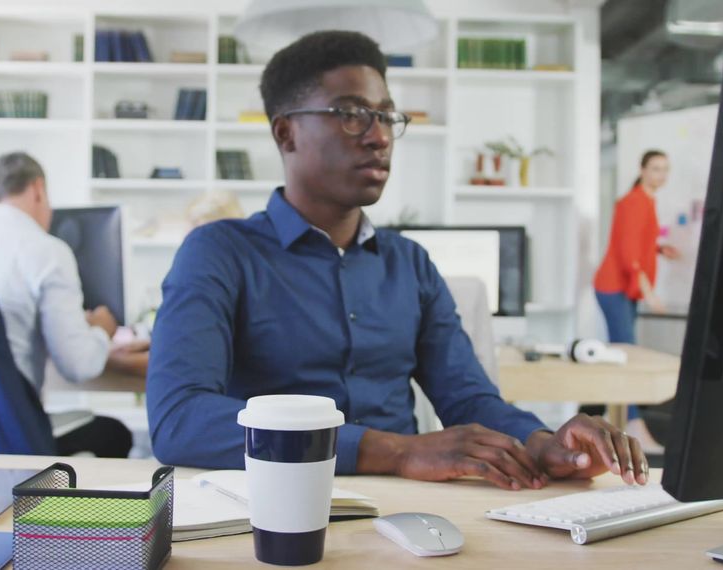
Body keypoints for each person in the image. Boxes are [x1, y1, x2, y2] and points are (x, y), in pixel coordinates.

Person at [146, 31, 648, 490]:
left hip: (408, 509)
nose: (379, 136)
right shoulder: (220, 252)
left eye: (386, 116)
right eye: (350, 113)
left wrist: (542, 442)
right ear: (285, 134)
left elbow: (467, 398)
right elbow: (180, 420)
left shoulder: (410, 263)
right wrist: (395, 451)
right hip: (271, 502)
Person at [0, 151, 145, 457]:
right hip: (3, 433)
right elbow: (78, 365)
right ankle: (42, 506)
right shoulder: (46, 251)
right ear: (38, 189)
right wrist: (103, 328)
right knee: (113, 434)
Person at [592, 150, 681, 452]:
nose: (661, 175)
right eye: (655, 169)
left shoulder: (645, 201)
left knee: (622, 353)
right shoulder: (633, 202)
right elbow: (629, 256)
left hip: (622, 290)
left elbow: (637, 242)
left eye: (664, 170)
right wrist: (651, 293)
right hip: (613, 287)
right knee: (625, 356)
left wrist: (659, 249)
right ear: (642, 170)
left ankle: (618, 422)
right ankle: (632, 426)